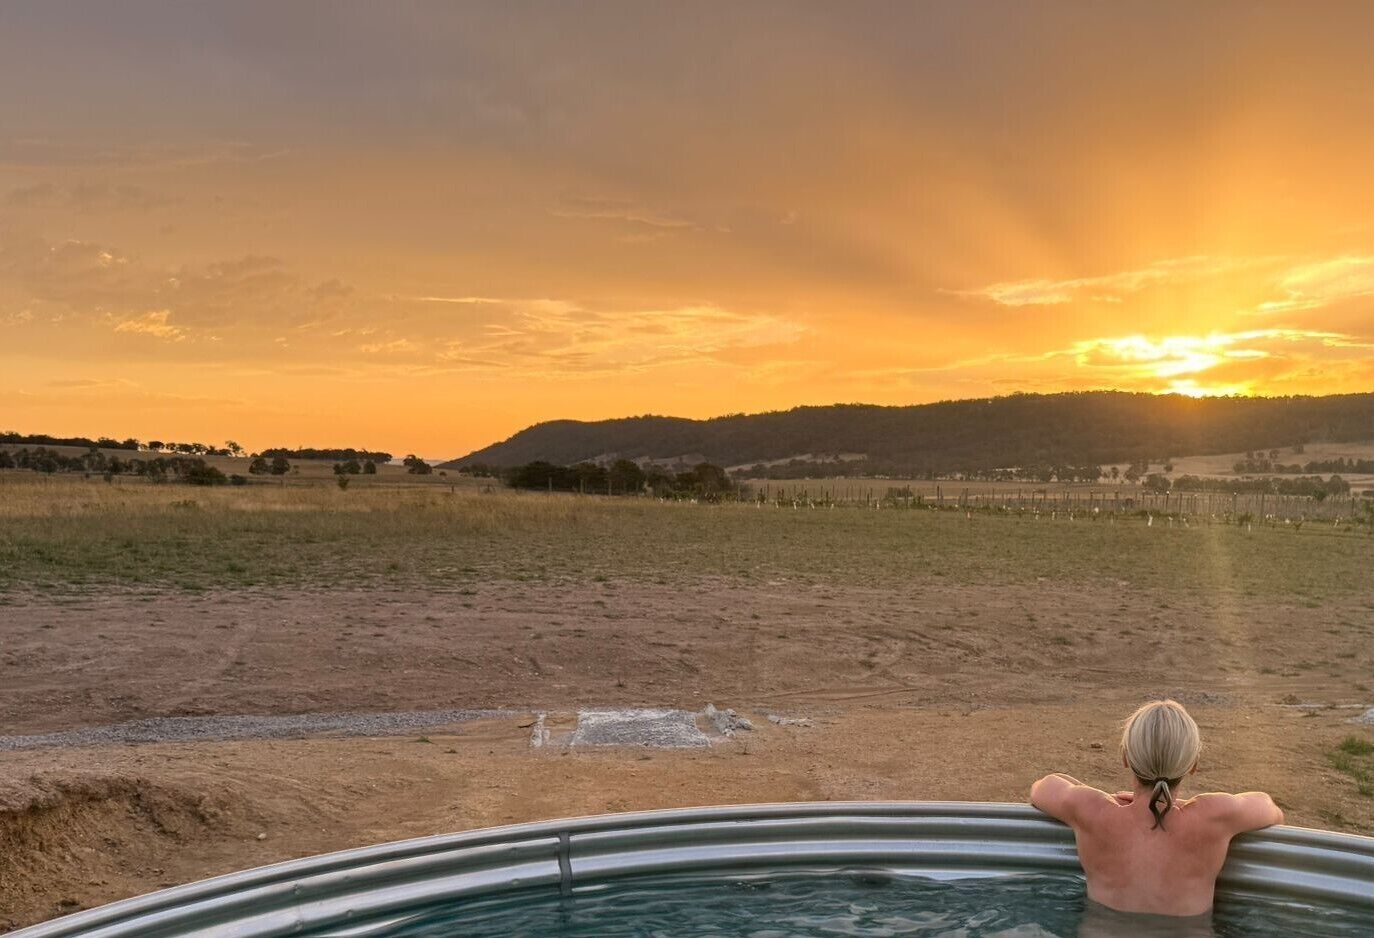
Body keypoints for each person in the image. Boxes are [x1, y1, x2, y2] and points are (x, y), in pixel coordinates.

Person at [1030, 699, 1283, 925]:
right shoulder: (1216, 816)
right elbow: (1270, 807)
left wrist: (1103, 799)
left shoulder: (1091, 811)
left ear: (1125, 757)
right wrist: (1185, 806)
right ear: (1193, 764)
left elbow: (1043, 787)